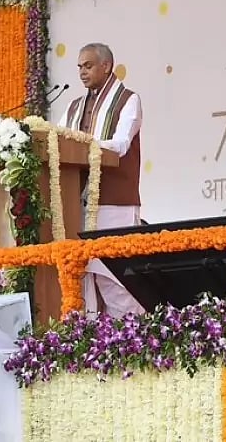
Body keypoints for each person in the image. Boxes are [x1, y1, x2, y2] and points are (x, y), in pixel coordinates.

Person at [58, 42, 145, 317]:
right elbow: (56, 141)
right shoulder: (73, 107)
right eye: (80, 67)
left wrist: (82, 144)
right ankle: (95, 341)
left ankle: (133, 338)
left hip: (113, 202)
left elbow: (120, 144)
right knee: (84, 276)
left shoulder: (128, 100)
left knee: (113, 277)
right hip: (77, 203)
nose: (82, 72)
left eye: (88, 65)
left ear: (106, 66)